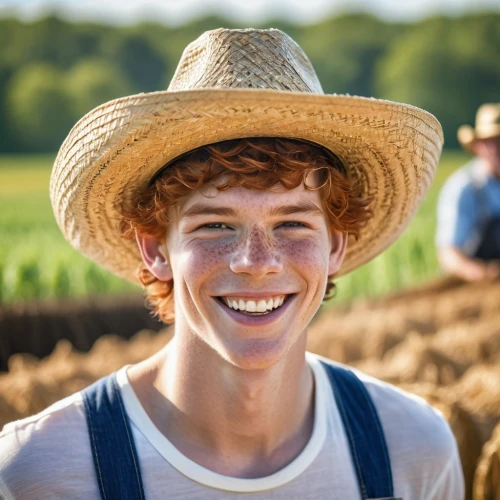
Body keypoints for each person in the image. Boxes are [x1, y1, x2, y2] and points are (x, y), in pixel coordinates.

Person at [0, 28, 463, 499]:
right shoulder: (41, 474)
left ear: (336, 246)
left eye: (292, 224)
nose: (256, 263)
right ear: (156, 250)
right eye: (216, 226)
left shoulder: (412, 450)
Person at [436, 103, 500, 282]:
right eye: (491, 142)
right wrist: (483, 273)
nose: (497, 149)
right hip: (475, 288)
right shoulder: (463, 188)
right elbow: (448, 254)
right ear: (478, 146)